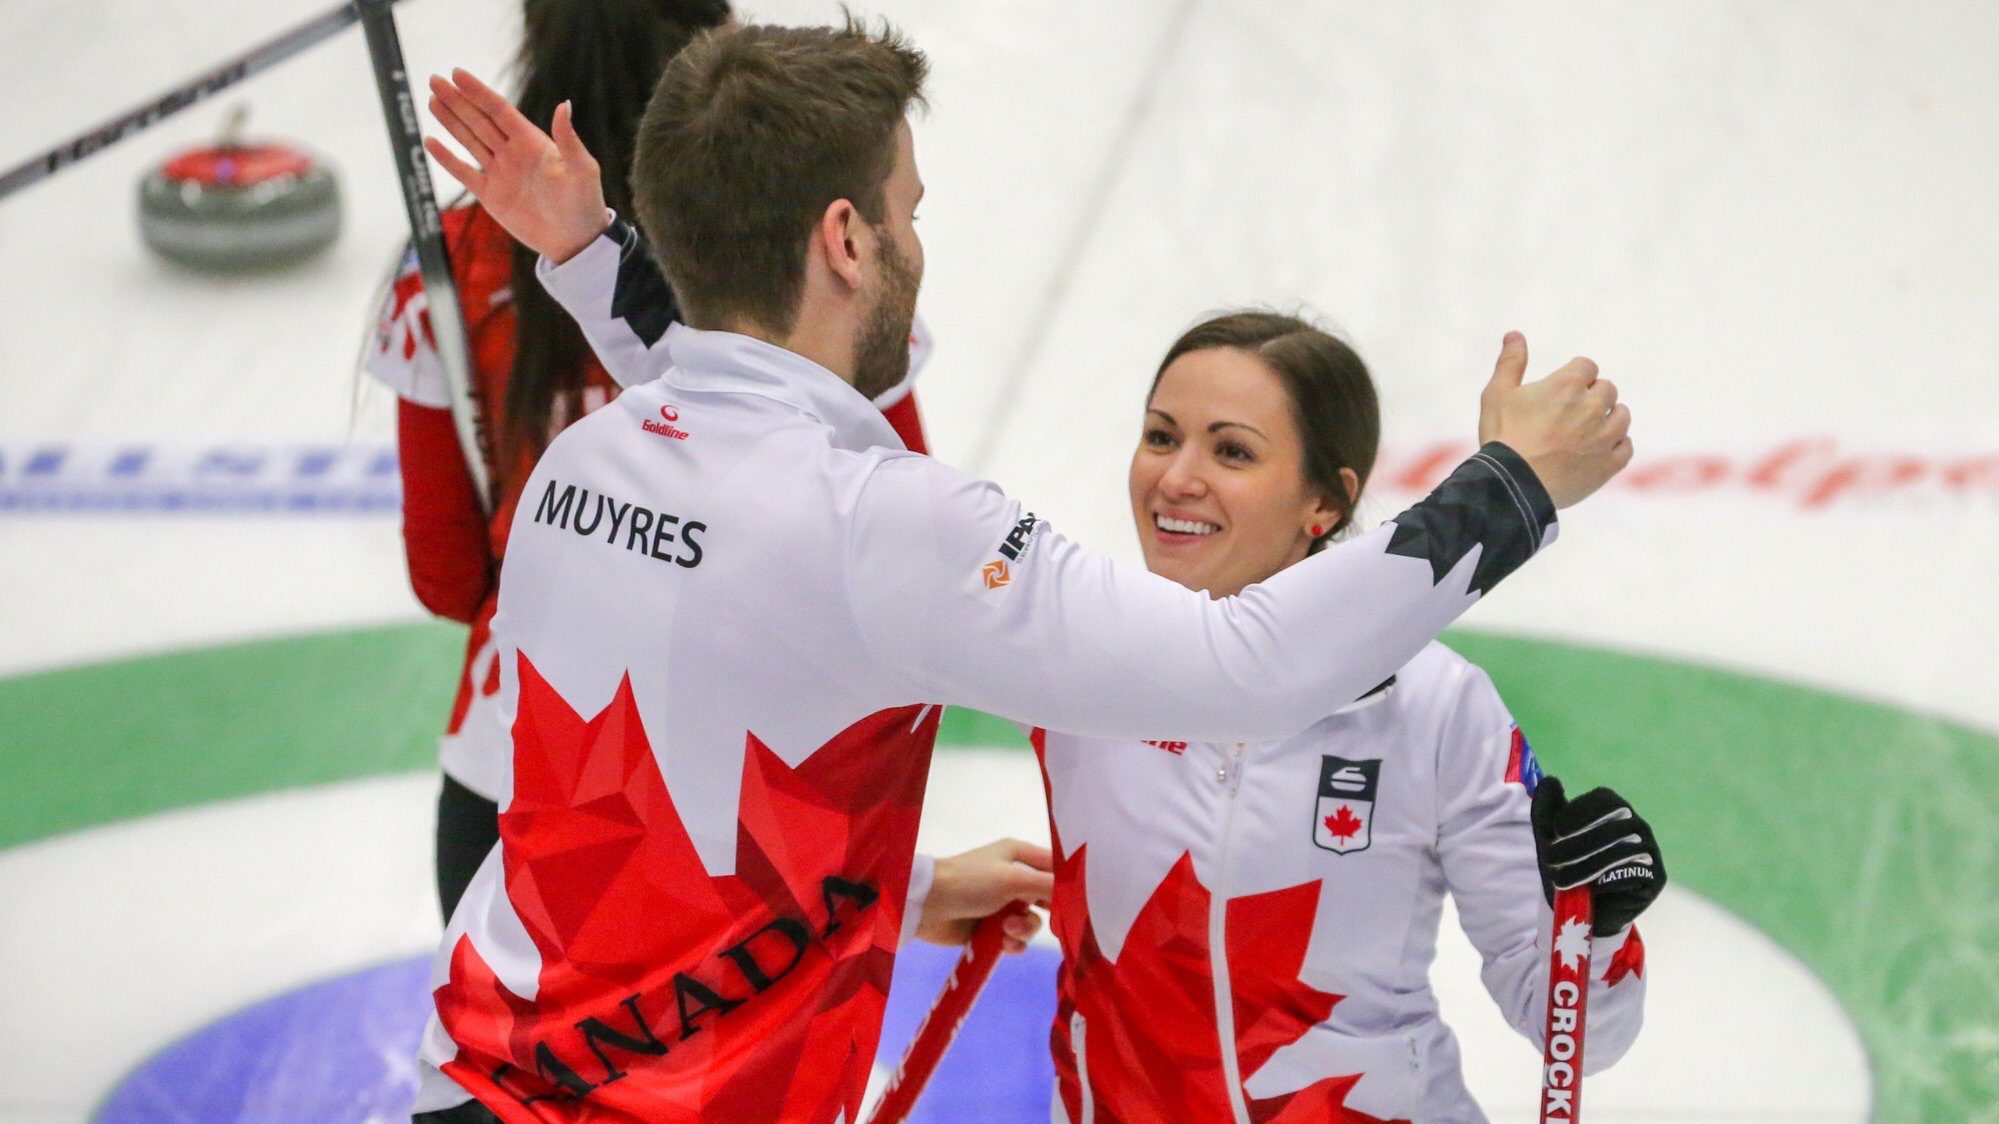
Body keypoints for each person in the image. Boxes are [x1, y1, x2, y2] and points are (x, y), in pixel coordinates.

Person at [409, 18, 1632, 1122]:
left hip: (469, 1080)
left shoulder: (587, 465)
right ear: (845, 239)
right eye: (907, 212)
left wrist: (586, 254)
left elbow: (723, 451)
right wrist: (1512, 487)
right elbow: (1244, 666)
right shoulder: (881, 526)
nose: (914, 244)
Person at [915, 312, 1663, 1122]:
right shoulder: (1078, 654)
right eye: (1161, 437)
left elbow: (1581, 1037)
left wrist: (1592, 931)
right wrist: (926, 885)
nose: (1176, 478)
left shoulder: (1434, 703)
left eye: (1230, 450)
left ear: (1323, 502)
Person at [365, 0, 930, 919]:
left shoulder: (459, 257)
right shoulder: (817, 258)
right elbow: (892, 525)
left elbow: (444, 572)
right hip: (751, 777)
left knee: (491, 1064)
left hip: (512, 766)